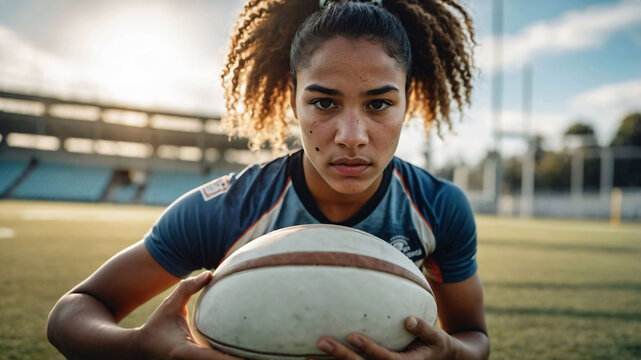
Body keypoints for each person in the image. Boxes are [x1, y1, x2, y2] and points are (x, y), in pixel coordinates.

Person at [47, 0, 489, 359]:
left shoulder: (438, 206)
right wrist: (143, 348)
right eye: (323, 103)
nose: (351, 136)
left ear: (407, 101)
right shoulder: (227, 209)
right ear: (292, 98)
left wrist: (448, 353)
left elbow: (473, 336)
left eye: (378, 105)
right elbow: (71, 314)